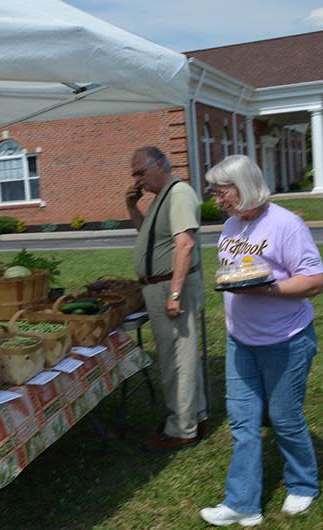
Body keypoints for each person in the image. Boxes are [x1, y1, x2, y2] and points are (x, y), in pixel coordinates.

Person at [199, 155, 323, 526]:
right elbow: (232, 273)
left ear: (244, 187)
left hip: (285, 341)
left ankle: (302, 484)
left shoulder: (287, 225)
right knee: (243, 422)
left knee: (285, 418)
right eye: (215, 192)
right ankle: (243, 504)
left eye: (221, 192)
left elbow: (315, 281)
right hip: (240, 341)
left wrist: (268, 289)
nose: (217, 200)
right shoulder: (231, 226)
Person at [126, 146, 208, 452]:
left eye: (141, 172)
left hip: (172, 288)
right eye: (134, 174)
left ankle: (181, 428)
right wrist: (131, 206)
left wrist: (174, 294)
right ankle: (195, 416)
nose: (137, 180)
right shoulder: (162, 197)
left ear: (160, 164)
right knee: (180, 358)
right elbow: (149, 236)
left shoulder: (179, 193)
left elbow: (184, 245)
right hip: (161, 287)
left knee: (176, 361)